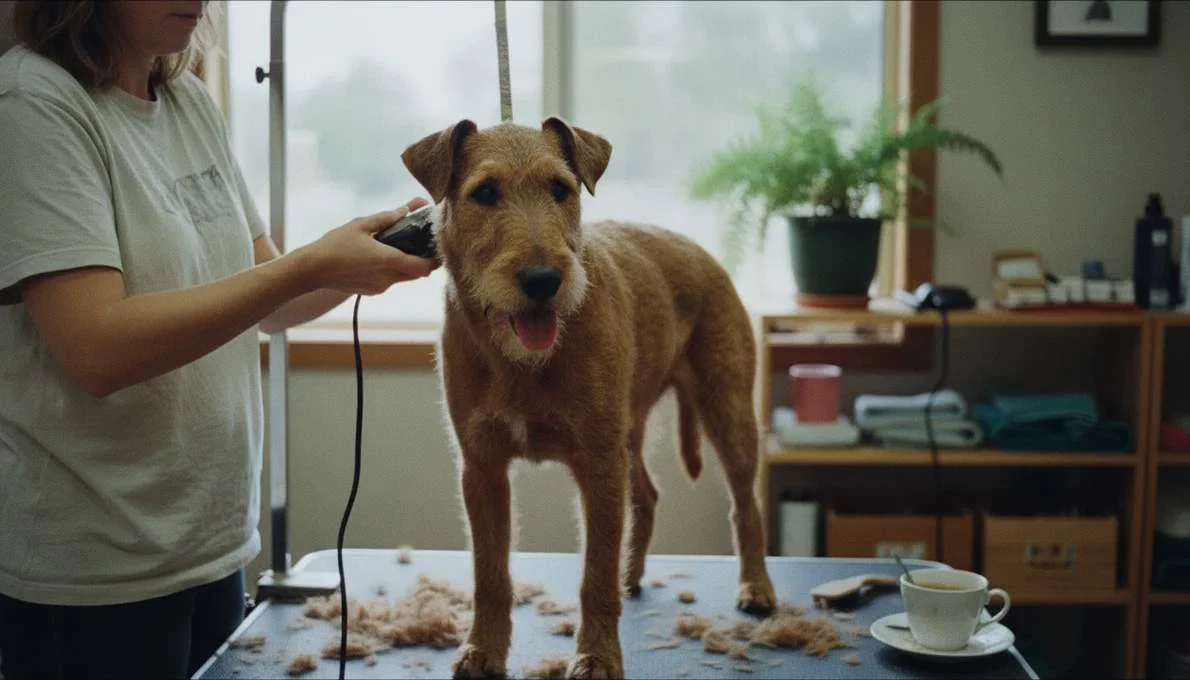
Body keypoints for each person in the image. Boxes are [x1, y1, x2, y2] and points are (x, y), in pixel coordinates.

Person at [0, 1, 438, 678]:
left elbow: (263, 294)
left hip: (209, 546)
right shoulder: (33, 105)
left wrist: (381, 256)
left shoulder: (186, 100)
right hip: (97, 573)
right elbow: (97, 350)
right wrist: (313, 263)